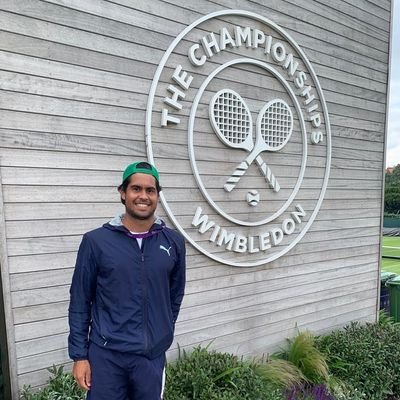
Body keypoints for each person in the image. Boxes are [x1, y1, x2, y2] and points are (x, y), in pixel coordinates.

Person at [68, 161, 186, 400]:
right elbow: (80, 301)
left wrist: (160, 331)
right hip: (106, 356)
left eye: (150, 190)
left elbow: (174, 295)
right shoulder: (96, 242)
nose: (143, 196)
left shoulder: (173, 242)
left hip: (150, 358)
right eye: (136, 189)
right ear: (123, 193)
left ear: (157, 196)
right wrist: (80, 356)